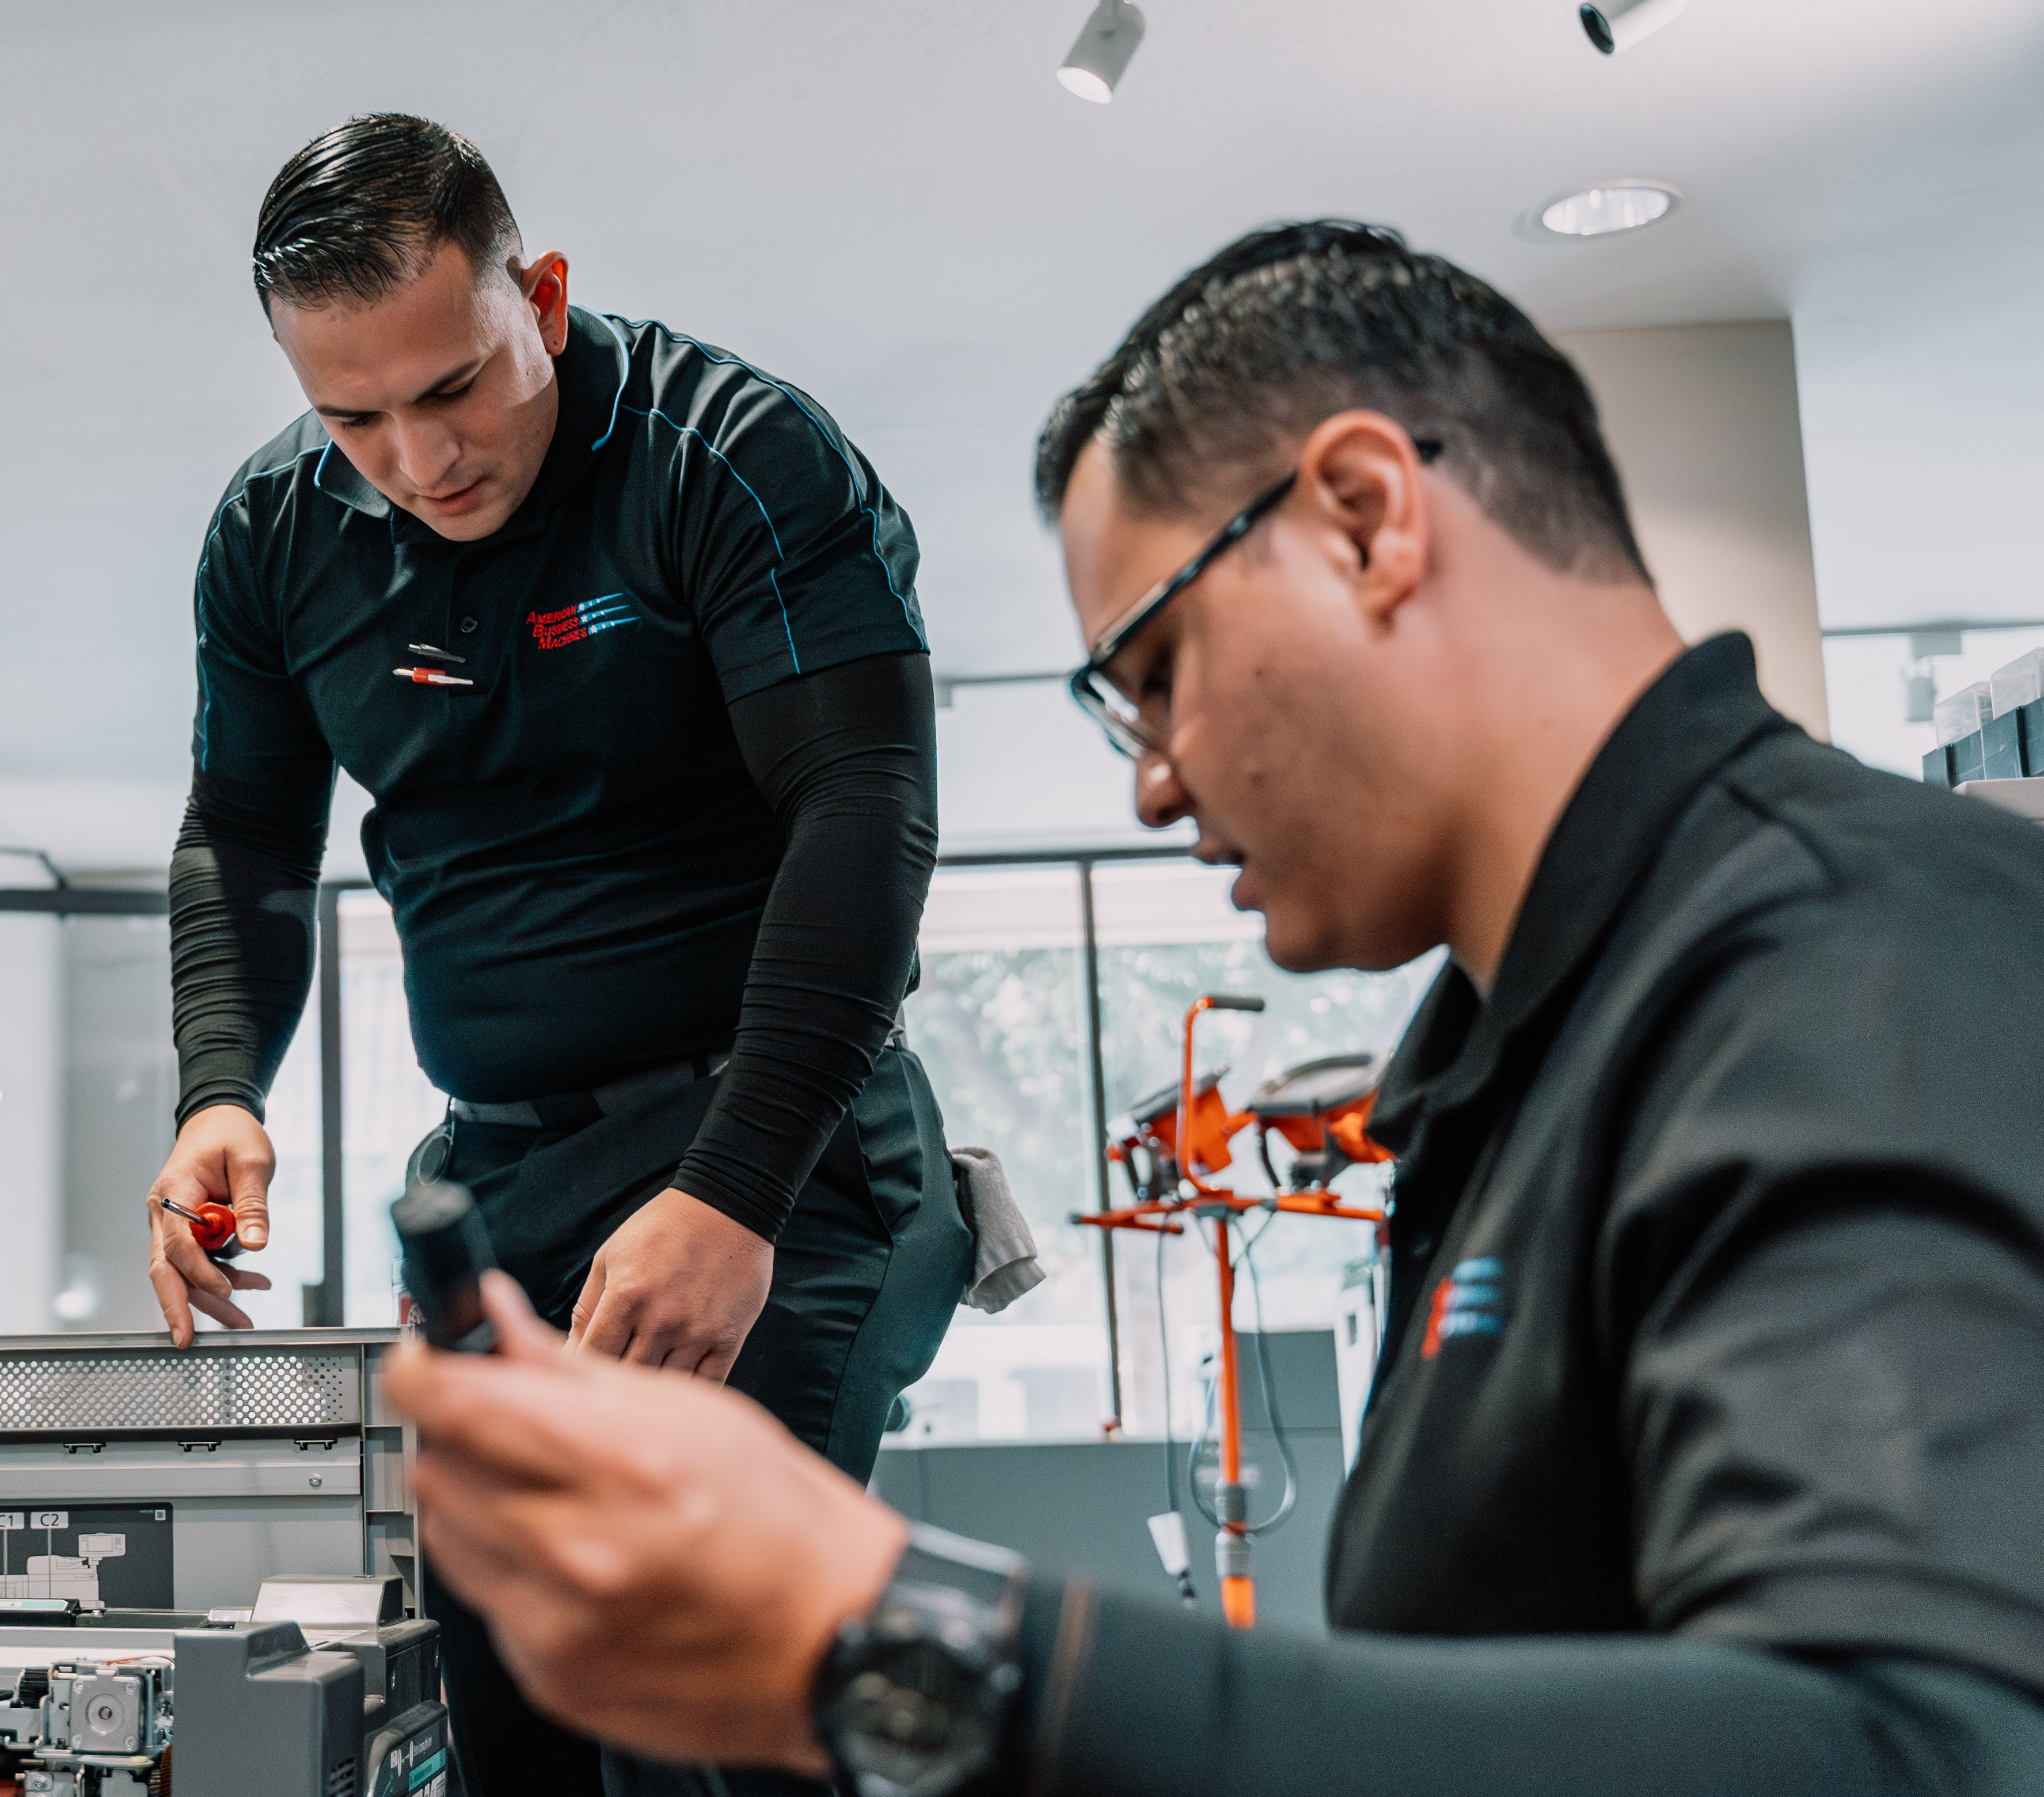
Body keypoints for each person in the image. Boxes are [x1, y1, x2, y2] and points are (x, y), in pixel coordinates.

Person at [383, 221, 2044, 1796]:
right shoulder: (1521, 1063)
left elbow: (1915, 1749)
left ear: (1365, 517)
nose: (1158, 787)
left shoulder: (1845, 948)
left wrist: (906, 1632)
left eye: (1155, 673)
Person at [142, 113, 972, 1795]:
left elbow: (861, 807)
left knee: (723, 1702)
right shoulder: (275, 536)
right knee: (503, 1712)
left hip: (777, 1156)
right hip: (502, 1184)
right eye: (351, 415)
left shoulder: (726, 454)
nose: (419, 459)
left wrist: (732, 1193)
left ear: (544, 291)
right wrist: (218, 1090)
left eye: (453, 387)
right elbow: (243, 835)